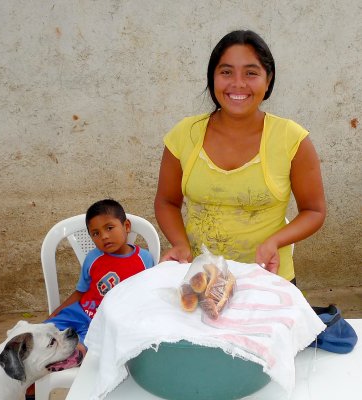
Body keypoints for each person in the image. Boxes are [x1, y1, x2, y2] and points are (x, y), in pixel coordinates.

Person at [154, 30, 326, 282]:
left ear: (268, 80)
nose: (238, 83)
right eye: (226, 72)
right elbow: (166, 202)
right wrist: (181, 245)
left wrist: (275, 241)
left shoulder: (292, 139)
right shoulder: (185, 134)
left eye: (251, 73)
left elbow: (314, 211)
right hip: (201, 279)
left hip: (267, 278)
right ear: (212, 78)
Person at [44, 199, 154, 368]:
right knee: (41, 333)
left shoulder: (144, 259)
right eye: (95, 233)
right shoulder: (93, 259)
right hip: (80, 311)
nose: (104, 236)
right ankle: (33, 384)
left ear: (126, 226)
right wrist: (56, 313)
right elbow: (80, 291)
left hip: (105, 323)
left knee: (86, 349)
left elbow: (148, 296)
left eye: (109, 228)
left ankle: (70, 357)